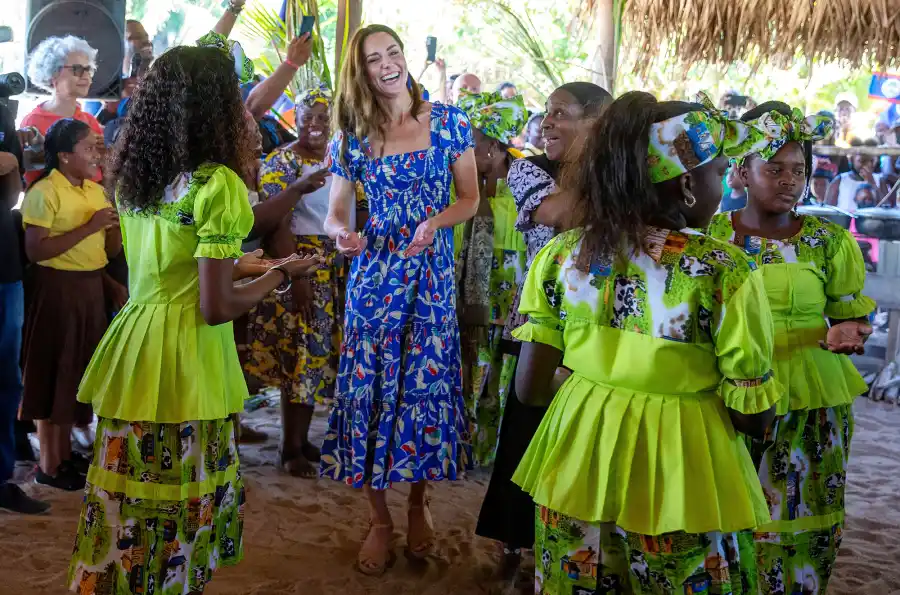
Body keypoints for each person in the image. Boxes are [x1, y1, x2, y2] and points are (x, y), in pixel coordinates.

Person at [67, 46, 322, 594]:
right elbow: (216, 306)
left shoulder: (137, 178)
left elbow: (173, 263)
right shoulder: (217, 186)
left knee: (128, 500)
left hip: (136, 345)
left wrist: (255, 263)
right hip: (187, 356)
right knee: (179, 506)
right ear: (217, 107)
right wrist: (284, 274)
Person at [512, 92, 782, 594]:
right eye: (719, 174)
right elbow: (753, 418)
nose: (722, 186)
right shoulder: (724, 272)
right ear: (686, 184)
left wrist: (599, 393)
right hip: (683, 474)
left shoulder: (563, 257)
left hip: (576, 462)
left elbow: (528, 389)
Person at [321, 24, 479, 576]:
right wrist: (342, 232)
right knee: (370, 393)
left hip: (430, 278)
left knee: (424, 388)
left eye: (392, 53)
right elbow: (335, 210)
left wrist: (435, 221)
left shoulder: (452, 122)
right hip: (373, 278)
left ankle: (417, 504)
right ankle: (379, 520)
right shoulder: (351, 135)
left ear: (405, 58)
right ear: (359, 72)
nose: (386, 64)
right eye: (372, 59)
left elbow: (470, 199)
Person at [708, 101, 875, 595]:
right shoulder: (712, 237)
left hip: (814, 399)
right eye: (773, 168)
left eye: (797, 170)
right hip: (734, 398)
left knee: (808, 517)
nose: (788, 180)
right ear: (741, 170)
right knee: (732, 517)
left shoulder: (828, 241)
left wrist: (849, 331)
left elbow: (852, 316)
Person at [475, 81, 611, 578]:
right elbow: (557, 215)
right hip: (544, 316)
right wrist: (607, 179)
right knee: (528, 423)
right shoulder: (532, 169)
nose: (547, 122)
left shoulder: (611, 170)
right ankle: (516, 540)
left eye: (562, 114)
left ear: (597, 122)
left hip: (601, 318)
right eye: (547, 113)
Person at [244, 87, 361, 477]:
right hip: (300, 266)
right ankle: (288, 448)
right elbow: (276, 222)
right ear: (295, 119)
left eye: (323, 118)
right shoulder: (282, 162)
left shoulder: (343, 158)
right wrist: (297, 275)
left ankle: (303, 440)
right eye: (307, 117)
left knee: (316, 356)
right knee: (299, 355)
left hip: (336, 268)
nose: (315, 125)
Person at [18, 119, 122, 490]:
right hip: (57, 290)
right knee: (52, 371)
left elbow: (106, 253)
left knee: (74, 372)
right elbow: (36, 251)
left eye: (98, 146)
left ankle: (63, 458)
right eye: (89, 148)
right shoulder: (45, 192)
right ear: (64, 156)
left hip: (89, 288)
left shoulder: (95, 192)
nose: (97, 154)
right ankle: (48, 463)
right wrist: (91, 227)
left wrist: (113, 232)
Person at [454, 90, 527, 468]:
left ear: (496, 147)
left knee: (502, 375)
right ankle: (468, 448)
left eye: (476, 142)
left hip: (511, 303)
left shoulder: (526, 188)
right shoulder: (464, 187)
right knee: (472, 368)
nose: (468, 149)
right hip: (472, 298)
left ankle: (493, 452)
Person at [0, 103, 50, 514]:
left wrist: (12, 157)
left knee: (6, 379)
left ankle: (1, 478)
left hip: (6, 271)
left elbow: (12, 193)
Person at [22, 35, 104, 186]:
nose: (86, 76)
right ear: (54, 74)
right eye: (77, 69)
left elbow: (99, 173)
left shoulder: (90, 121)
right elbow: (30, 176)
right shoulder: (32, 122)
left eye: (88, 69)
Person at [825, 139, 889, 213]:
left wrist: (873, 184)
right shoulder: (840, 181)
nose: (868, 165)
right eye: (862, 161)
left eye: (871, 161)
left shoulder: (879, 180)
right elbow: (828, 210)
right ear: (852, 160)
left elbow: (887, 209)